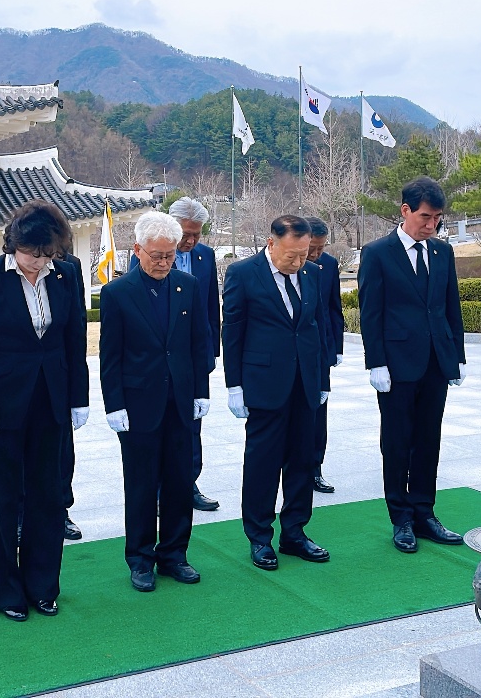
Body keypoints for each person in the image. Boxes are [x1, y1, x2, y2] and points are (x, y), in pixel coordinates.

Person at [0, 201, 89, 621]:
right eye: (31, 253)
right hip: (3, 402)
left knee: (48, 494)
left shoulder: (66, 274)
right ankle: (5, 590)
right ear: (13, 244)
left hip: (51, 397)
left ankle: (42, 585)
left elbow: (74, 339)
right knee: (3, 495)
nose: (38, 262)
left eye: (46, 254)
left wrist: (79, 397)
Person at [99, 211, 212, 591]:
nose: (164, 263)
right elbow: (110, 355)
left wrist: (201, 391)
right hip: (138, 404)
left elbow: (198, 343)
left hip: (180, 400)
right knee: (142, 485)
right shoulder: (117, 293)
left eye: (170, 255)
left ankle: (175, 554)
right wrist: (114, 404)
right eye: (156, 256)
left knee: (180, 481)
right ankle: (140, 559)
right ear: (137, 250)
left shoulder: (188, 286)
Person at [358, 177, 467, 553]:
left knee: (428, 439)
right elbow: (371, 312)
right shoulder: (377, 253)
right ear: (405, 210)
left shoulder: (442, 252)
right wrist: (376, 363)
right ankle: (401, 518)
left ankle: (424, 513)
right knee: (397, 442)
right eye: (425, 217)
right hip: (396, 364)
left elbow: (450, 306)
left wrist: (457, 356)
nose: (431, 225)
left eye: (437, 218)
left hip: (436, 361)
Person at [223, 214, 330, 570]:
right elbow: (232, 332)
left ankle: (295, 533)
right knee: (263, 464)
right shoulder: (243, 273)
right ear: (271, 243)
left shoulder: (312, 273)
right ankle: (259, 537)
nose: (298, 262)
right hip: (264, 383)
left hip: (305, 383)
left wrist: (322, 380)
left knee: (302, 461)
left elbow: (317, 328)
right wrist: (234, 386)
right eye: (291, 255)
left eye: (304, 254)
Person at [168, 196, 222, 512]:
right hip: (164, 355)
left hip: (196, 354)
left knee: (193, 422)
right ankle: (162, 489)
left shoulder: (205, 256)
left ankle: (189, 482)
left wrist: (212, 351)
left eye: (196, 234)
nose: (190, 241)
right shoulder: (151, 253)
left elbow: (211, 305)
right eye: (185, 234)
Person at [305, 217, 345, 494]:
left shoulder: (328, 265)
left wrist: (337, 347)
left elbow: (334, 308)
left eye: (321, 248)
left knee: (319, 414)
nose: (316, 254)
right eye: (312, 248)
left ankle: (315, 468)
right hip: (293, 351)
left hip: (321, 351)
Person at [58, 248, 87, 541]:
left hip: (61, 375)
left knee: (63, 452)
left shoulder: (70, 266)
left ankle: (61, 510)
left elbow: (78, 324)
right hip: (20, 381)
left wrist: (80, 392)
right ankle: (21, 516)